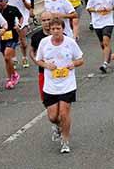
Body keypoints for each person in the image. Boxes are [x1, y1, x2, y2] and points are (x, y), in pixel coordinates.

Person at [35, 18, 84, 154]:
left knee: (64, 113)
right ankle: (57, 126)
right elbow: (38, 60)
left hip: (67, 84)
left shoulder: (70, 43)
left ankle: (65, 141)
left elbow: (80, 59)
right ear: (49, 30)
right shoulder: (44, 43)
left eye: (58, 28)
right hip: (50, 85)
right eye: (53, 29)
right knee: (53, 117)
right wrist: (47, 65)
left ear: (63, 29)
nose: (56, 31)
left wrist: (73, 64)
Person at [86, 0, 114, 73]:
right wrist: (97, 10)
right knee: (103, 44)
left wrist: (110, 8)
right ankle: (108, 54)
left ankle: (104, 64)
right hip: (97, 22)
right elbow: (88, 8)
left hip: (108, 22)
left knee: (105, 42)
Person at [0, 0, 23, 90]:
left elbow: (21, 17)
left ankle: (10, 78)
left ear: (6, 0)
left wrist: (19, 25)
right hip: (1, 37)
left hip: (12, 36)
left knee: (7, 57)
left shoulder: (12, 9)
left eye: (1, 1)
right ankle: (13, 75)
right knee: (7, 60)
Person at [4, 0, 32, 68]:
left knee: (22, 40)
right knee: (11, 39)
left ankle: (24, 57)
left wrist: (24, 1)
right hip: (11, 18)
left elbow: (29, 6)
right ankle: (14, 58)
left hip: (22, 17)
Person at [29, 11, 52, 102]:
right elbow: (31, 51)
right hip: (43, 71)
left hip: (58, 72)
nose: (47, 22)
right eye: (44, 20)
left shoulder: (60, 35)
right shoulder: (36, 36)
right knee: (45, 99)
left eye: (49, 20)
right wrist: (36, 61)